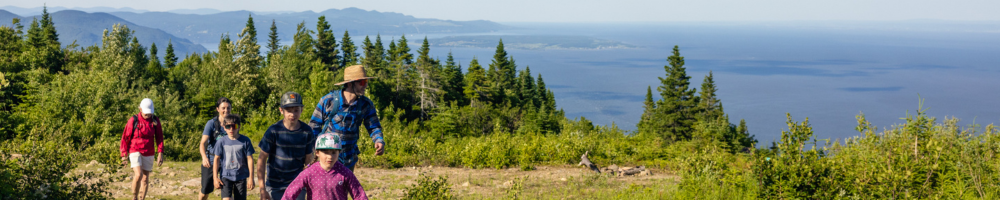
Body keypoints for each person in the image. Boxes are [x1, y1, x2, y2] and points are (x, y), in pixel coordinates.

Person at [308, 65, 386, 171]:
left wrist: (379, 140)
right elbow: (313, 127)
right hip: (327, 158)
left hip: (349, 159)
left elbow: (374, 127)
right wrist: (313, 152)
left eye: (366, 82)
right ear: (349, 83)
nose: (365, 86)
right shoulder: (328, 101)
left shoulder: (365, 104)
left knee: (345, 187)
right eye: (362, 82)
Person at [257, 92, 316, 200]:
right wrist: (262, 189)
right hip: (275, 186)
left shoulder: (307, 132)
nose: (292, 114)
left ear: (301, 110)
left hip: (297, 184)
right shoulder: (273, 131)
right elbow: (261, 159)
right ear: (281, 111)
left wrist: (309, 185)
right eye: (289, 110)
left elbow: (308, 161)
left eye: (296, 110)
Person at [282, 133, 368, 200]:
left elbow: (359, 195)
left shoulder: (345, 173)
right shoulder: (309, 173)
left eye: (334, 152)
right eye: (326, 152)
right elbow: (290, 193)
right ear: (317, 153)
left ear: (339, 152)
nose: (330, 156)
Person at [119, 98, 165, 200]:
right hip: (135, 149)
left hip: (149, 151)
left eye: (149, 113)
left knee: (145, 178)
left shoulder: (155, 121)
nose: (148, 115)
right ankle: (134, 197)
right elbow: (125, 137)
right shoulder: (133, 120)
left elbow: (159, 137)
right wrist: (123, 154)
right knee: (138, 175)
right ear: (140, 109)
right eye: (146, 113)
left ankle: (142, 198)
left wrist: (160, 153)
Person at [213, 114, 256, 200]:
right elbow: (216, 159)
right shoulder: (221, 142)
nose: (231, 129)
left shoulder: (245, 141)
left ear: (239, 127)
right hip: (226, 176)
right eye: (228, 126)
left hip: (241, 176)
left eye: (234, 126)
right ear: (224, 127)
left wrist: (251, 178)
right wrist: (215, 177)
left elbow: (250, 159)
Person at [199, 97, 231, 200]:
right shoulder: (211, 123)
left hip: (226, 162)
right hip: (211, 160)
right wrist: (204, 157)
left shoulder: (233, 123)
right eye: (223, 108)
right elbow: (203, 143)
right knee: (205, 191)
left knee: (227, 194)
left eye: (228, 108)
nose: (226, 110)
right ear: (218, 109)